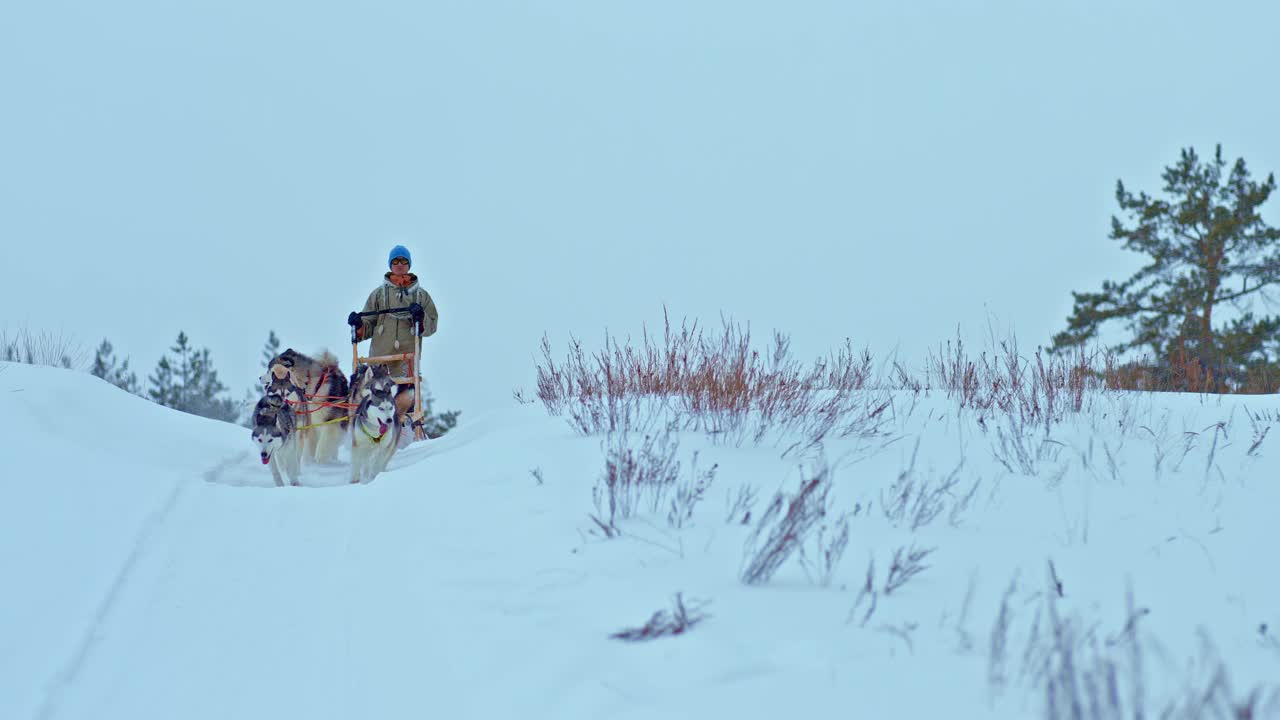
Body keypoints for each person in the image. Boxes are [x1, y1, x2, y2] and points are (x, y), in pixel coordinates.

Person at [349, 245, 439, 427]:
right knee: (374, 404)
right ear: (390, 264)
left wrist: (420, 317)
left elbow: (432, 325)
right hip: (379, 361)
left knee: (404, 406)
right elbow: (367, 325)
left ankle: (408, 436)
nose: (400, 265)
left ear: (409, 265)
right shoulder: (378, 295)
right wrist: (358, 324)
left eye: (404, 261)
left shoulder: (421, 297)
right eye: (396, 261)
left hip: (406, 362)